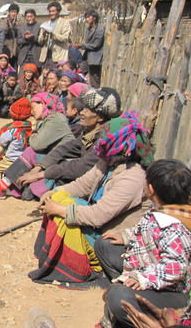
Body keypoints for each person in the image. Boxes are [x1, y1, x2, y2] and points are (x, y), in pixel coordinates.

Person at [29, 112, 154, 288]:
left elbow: (98, 215)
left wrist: (59, 209)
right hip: (98, 227)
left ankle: (76, 269)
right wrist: (54, 192)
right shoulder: (108, 163)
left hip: (114, 239)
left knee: (65, 211)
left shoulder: (133, 177)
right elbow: (82, 185)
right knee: (59, 198)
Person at [92, 159, 191, 328]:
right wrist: (126, 236)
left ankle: (134, 325)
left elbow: (175, 268)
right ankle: (123, 296)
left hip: (171, 292)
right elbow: (146, 233)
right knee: (104, 245)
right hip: (146, 271)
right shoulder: (161, 211)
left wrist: (143, 278)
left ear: (151, 189)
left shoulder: (174, 228)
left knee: (118, 296)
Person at [16, 87, 122, 201]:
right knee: (43, 159)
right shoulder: (89, 133)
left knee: (60, 170)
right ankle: (14, 186)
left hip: (95, 187)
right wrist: (39, 167)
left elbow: (81, 166)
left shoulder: (105, 140)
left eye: (87, 110)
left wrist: (41, 174)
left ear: (99, 118)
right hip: (81, 176)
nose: (82, 112)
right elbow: (65, 148)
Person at [0, 93, 74, 199]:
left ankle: (1, 187)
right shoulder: (53, 119)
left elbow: (36, 144)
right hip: (55, 163)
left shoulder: (56, 120)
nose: (32, 112)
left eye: (33, 108)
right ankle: (6, 186)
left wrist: (34, 131)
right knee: (26, 192)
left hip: (63, 165)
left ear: (42, 104)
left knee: (32, 152)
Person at [38, 2, 71, 67]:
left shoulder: (65, 23)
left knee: (57, 72)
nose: (51, 13)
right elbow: (40, 41)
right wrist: (44, 34)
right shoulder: (46, 24)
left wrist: (52, 34)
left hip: (59, 55)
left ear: (58, 12)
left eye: (53, 11)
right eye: (50, 11)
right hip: (46, 55)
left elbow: (65, 38)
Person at [80, 10, 104, 88]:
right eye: (86, 17)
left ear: (94, 18)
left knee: (94, 79)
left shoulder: (99, 30)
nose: (87, 19)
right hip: (87, 56)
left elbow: (96, 45)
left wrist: (82, 45)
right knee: (81, 72)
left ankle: (96, 92)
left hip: (95, 58)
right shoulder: (88, 29)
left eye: (88, 17)